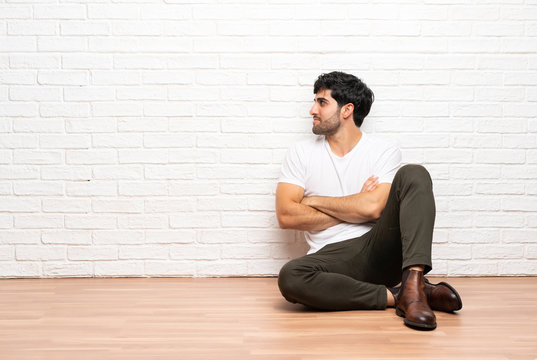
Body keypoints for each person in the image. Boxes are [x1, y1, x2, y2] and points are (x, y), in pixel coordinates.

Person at [276, 71, 462, 330]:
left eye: (321, 102)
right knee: (291, 277)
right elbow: (286, 215)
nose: (312, 110)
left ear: (346, 110)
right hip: (331, 257)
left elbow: (374, 209)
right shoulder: (301, 153)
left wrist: (312, 199)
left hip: (377, 247)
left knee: (414, 173)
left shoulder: (382, 151)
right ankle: (406, 294)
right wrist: (356, 204)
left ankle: (414, 279)